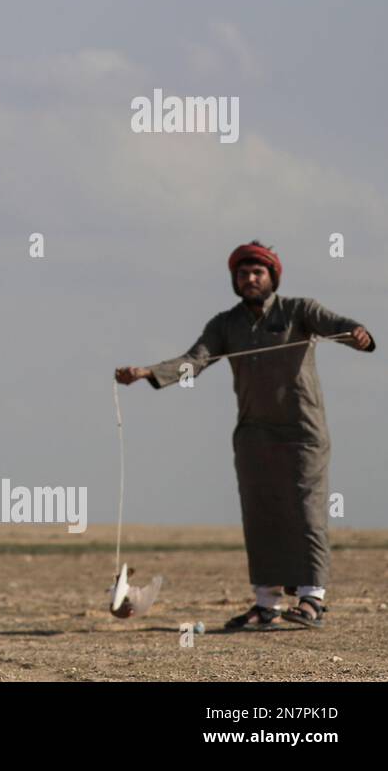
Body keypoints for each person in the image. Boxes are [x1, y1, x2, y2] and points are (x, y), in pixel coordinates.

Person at [115, 242, 374, 630]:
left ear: (273, 277)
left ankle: (311, 599)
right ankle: (265, 604)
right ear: (234, 280)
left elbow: (342, 327)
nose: (250, 279)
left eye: (258, 273)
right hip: (253, 434)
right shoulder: (225, 325)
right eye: (242, 274)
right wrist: (148, 373)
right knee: (261, 516)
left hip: (303, 430)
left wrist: (359, 336)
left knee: (307, 512)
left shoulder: (300, 310)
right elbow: (195, 362)